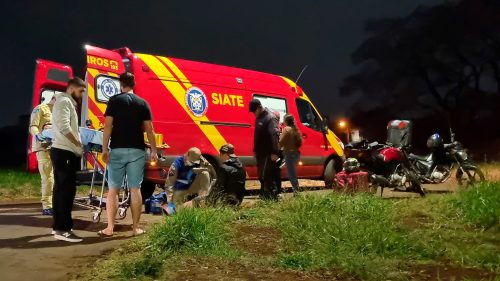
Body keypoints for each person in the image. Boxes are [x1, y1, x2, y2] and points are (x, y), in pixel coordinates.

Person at [99, 72, 158, 237]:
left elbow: (108, 125)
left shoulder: (114, 101)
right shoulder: (143, 103)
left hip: (117, 150)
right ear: (134, 84)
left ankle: (110, 228)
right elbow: (150, 130)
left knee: (113, 190)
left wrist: (104, 148)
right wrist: (153, 150)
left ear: (120, 84)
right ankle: (135, 228)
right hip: (137, 151)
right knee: (135, 189)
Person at [50, 77, 86, 242]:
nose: (82, 94)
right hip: (64, 152)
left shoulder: (64, 102)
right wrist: (77, 142)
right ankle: (63, 230)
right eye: (81, 91)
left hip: (62, 151)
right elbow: (65, 127)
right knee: (65, 192)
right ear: (72, 89)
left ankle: (58, 226)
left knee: (60, 190)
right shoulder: (64, 102)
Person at [164, 147, 217, 213]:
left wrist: (209, 191)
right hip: (180, 189)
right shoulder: (176, 164)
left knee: (205, 173)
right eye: (192, 162)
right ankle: (183, 205)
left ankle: (202, 201)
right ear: (187, 155)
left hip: (192, 186)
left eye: (195, 162)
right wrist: (170, 201)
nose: (193, 164)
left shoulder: (201, 159)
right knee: (176, 209)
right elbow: (169, 184)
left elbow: (213, 174)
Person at [29, 96, 56, 215]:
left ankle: (55, 204)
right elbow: (33, 126)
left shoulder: (59, 113)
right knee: (47, 178)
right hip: (43, 148)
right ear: (54, 99)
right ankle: (47, 207)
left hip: (56, 148)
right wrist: (38, 136)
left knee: (57, 179)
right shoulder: (40, 109)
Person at [249, 99, 280, 200]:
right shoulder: (259, 117)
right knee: (261, 174)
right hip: (260, 152)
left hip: (268, 152)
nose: (253, 113)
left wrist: (274, 152)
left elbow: (274, 135)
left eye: (254, 111)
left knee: (265, 174)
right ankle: (264, 193)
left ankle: (270, 195)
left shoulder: (270, 118)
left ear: (259, 107)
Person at [279, 114, 302, 194]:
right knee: (291, 173)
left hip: (289, 154)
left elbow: (280, 142)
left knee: (291, 174)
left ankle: (296, 191)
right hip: (296, 154)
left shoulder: (286, 129)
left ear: (286, 121)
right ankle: (296, 190)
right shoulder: (295, 129)